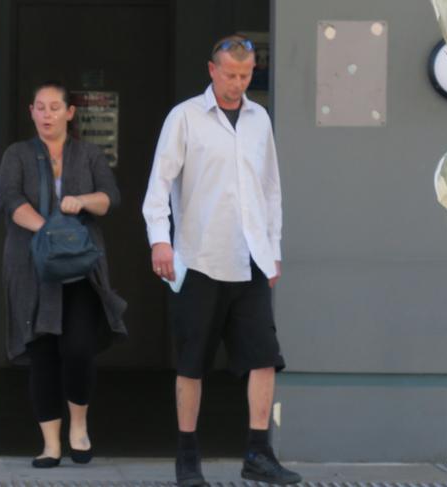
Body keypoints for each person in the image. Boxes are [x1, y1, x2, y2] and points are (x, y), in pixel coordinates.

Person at [142, 35, 302, 486]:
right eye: (230, 74)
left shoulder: (259, 119)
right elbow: (159, 186)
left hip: (250, 258)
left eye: (245, 74)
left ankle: (258, 452)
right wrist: (160, 241)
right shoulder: (185, 118)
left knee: (264, 358)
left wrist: (273, 250)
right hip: (199, 258)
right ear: (211, 70)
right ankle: (188, 457)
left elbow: (270, 189)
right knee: (192, 363)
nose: (237, 83)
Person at [0, 81, 127, 468]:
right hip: (31, 266)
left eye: (55, 107)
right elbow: (8, 199)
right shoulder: (17, 154)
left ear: (70, 113)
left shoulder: (88, 154)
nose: (47, 114)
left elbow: (109, 198)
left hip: (80, 267)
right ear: (31, 111)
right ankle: (50, 444)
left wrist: (81, 201)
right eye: (40, 107)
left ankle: (79, 429)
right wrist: (48, 230)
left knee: (78, 349)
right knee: (42, 353)